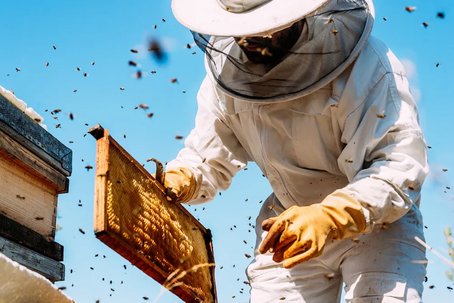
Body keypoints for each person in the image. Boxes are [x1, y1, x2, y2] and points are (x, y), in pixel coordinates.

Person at [163, 0, 429, 302]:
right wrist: (185, 177)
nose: (253, 39)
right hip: (288, 226)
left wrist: (332, 215)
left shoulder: (367, 65)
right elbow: (210, 153)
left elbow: (397, 164)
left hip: (377, 224)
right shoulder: (226, 73)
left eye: (265, 29)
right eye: (243, 29)